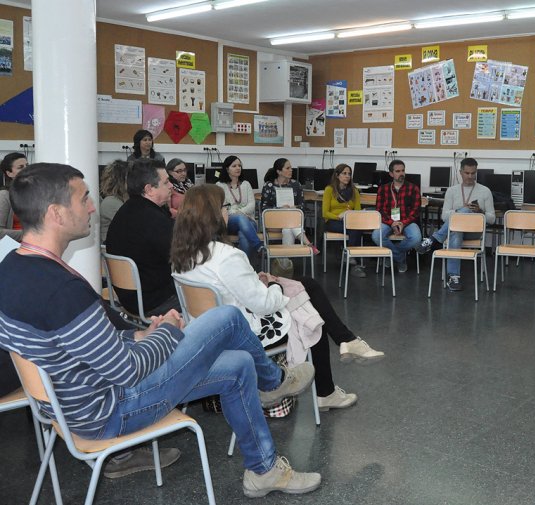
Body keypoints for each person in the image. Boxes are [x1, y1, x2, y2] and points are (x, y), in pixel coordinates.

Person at [0, 163, 322, 497]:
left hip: (74, 405)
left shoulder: (12, 267)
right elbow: (127, 371)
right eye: (83, 199)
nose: (93, 207)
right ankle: (273, 382)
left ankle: (264, 469)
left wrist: (136, 335)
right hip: (111, 410)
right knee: (226, 317)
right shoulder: (62, 289)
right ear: (56, 212)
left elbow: (84, 347)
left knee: (240, 365)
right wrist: (166, 332)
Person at [171, 185, 385, 410]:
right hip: (247, 335)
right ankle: (329, 384)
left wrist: (258, 282)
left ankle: (346, 344)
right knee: (311, 319)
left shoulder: (181, 255)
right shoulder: (228, 256)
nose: (228, 212)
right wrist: (272, 285)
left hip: (207, 332)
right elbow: (264, 305)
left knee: (308, 288)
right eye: (225, 207)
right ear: (214, 214)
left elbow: (225, 290)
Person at [105, 159, 180, 316]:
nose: (171, 186)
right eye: (166, 182)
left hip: (130, 298)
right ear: (149, 189)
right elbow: (185, 256)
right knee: (217, 292)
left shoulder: (126, 211)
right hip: (155, 302)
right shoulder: (153, 220)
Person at [416, 158, 495, 292]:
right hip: (455, 229)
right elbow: (444, 216)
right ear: (460, 172)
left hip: (474, 232)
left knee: (466, 210)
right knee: (456, 231)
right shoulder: (452, 191)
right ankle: (454, 277)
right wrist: (459, 212)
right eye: (467, 173)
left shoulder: (485, 191)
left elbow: (492, 219)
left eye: (473, 173)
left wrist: (480, 212)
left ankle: (433, 239)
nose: (470, 176)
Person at [372, 159, 421, 273]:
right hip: (388, 221)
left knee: (416, 238)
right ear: (391, 174)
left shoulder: (413, 188)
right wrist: (391, 223)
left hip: (407, 222)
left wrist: (403, 223)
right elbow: (379, 210)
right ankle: (400, 258)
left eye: (403, 171)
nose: (401, 174)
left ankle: (392, 255)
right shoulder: (383, 189)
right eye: (397, 171)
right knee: (376, 236)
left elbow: (416, 211)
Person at [261, 158, 318, 254]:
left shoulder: (296, 184)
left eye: (291, 167)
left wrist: (295, 208)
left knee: (288, 229)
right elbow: (264, 208)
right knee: (290, 224)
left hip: (291, 220)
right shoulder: (269, 186)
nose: (291, 170)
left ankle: (285, 262)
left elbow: (303, 206)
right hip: (274, 222)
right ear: (279, 171)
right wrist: (279, 209)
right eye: (287, 168)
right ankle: (308, 244)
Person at [217, 155, 264, 259]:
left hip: (249, 221)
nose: (238, 168)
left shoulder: (246, 184)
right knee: (239, 218)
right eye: (234, 166)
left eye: (239, 165)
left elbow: (252, 205)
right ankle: (258, 246)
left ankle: (245, 266)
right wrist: (239, 214)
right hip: (229, 222)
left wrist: (239, 213)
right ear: (227, 169)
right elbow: (222, 208)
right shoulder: (220, 185)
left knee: (243, 235)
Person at [323, 163, 365, 278]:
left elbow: (357, 211)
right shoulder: (329, 190)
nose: (347, 176)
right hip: (333, 221)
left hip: (350, 220)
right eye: (344, 173)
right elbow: (325, 213)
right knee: (354, 230)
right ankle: (353, 260)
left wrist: (349, 215)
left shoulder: (354, 191)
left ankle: (350, 257)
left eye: (349, 174)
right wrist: (339, 216)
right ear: (337, 175)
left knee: (355, 228)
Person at [99, 159, 131, 241]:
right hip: (110, 250)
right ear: (122, 180)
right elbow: (133, 227)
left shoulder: (122, 199)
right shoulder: (111, 202)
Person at [0, 152, 27, 240]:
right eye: (20, 167)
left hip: (37, 247)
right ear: (9, 173)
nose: (26, 169)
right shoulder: (4, 196)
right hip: (14, 249)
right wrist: (28, 235)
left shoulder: (34, 193)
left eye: (27, 165)